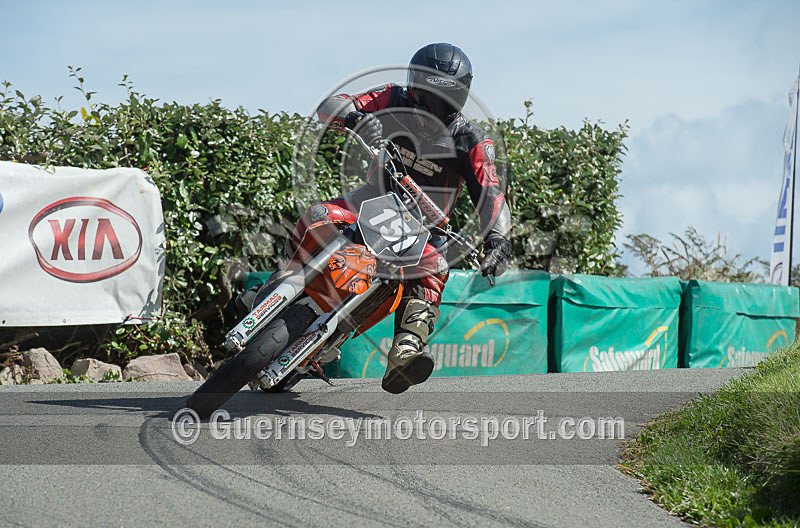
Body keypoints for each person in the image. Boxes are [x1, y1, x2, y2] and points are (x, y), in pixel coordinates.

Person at [293, 42, 512, 393]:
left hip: (426, 228)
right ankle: (283, 281)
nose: (426, 103)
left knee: (437, 267)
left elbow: (490, 192)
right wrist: (355, 119)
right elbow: (329, 106)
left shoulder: (472, 140)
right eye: (421, 89)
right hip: (369, 201)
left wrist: (498, 240)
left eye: (436, 95)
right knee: (318, 215)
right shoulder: (392, 97)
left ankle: (406, 351)